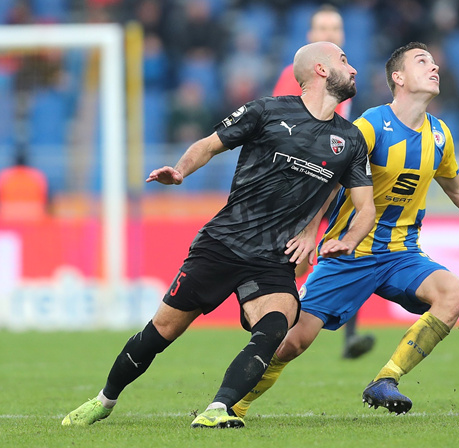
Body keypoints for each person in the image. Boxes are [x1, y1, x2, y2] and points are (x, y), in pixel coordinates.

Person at [61, 41, 376, 429]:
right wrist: (179, 171)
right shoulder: (268, 110)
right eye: (345, 60)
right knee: (162, 331)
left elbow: (366, 207)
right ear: (321, 71)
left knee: (276, 325)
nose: (354, 68)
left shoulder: (351, 139)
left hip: (274, 256)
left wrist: (347, 238)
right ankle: (104, 399)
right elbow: (208, 145)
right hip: (224, 242)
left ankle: (217, 409)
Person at [229, 42, 459, 420]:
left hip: (402, 254)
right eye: (423, 62)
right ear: (398, 78)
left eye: (435, 63)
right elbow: (330, 178)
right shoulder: (372, 124)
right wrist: (307, 232)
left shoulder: (440, 135)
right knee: (292, 343)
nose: (434, 68)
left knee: (455, 295)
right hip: (350, 254)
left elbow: (458, 187)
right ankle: (233, 404)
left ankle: (386, 379)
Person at [272, 3, 373, 360]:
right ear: (310, 37)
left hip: (332, 181)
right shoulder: (294, 74)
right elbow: (281, 122)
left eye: (336, 28)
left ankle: (348, 333)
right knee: (298, 257)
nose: (330, 34)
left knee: (348, 246)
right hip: (305, 182)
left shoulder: (345, 78)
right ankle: (273, 320)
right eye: (323, 28)